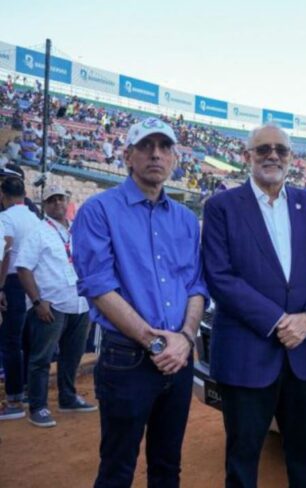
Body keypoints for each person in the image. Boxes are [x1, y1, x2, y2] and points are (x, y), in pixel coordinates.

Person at [202, 124, 306, 488]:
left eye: (280, 150)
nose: (272, 156)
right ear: (247, 156)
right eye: (263, 149)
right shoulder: (221, 207)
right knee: (243, 460)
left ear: (291, 159)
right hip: (247, 355)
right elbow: (220, 277)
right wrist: (280, 321)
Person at [72, 117, 208, 487]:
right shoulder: (99, 210)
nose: (156, 154)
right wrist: (157, 342)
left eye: (164, 147)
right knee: (117, 467)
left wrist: (185, 336)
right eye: (146, 146)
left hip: (179, 356)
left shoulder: (184, 218)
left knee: (168, 466)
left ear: (174, 159)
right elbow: (99, 286)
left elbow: (196, 284)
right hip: (128, 357)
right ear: (128, 155)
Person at [17, 185, 96, 428]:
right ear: (45, 206)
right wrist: (38, 301)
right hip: (52, 305)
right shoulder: (38, 232)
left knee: (72, 357)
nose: (58, 204)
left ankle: (68, 397)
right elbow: (23, 268)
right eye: (52, 200)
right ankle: (38, 406)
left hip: (79, 303)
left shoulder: (76, 231)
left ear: (68, 201)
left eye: (61, 198)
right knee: (41, 359)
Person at [0, 176, 43, 421]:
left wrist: (0, 286)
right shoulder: (34, 218)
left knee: (10, 341)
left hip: (14, 280)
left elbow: (5, 251)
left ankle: (14, 398)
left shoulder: (5, 218)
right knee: (27, 339)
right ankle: (26, 390)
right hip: (35, 280)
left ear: (2, 195)